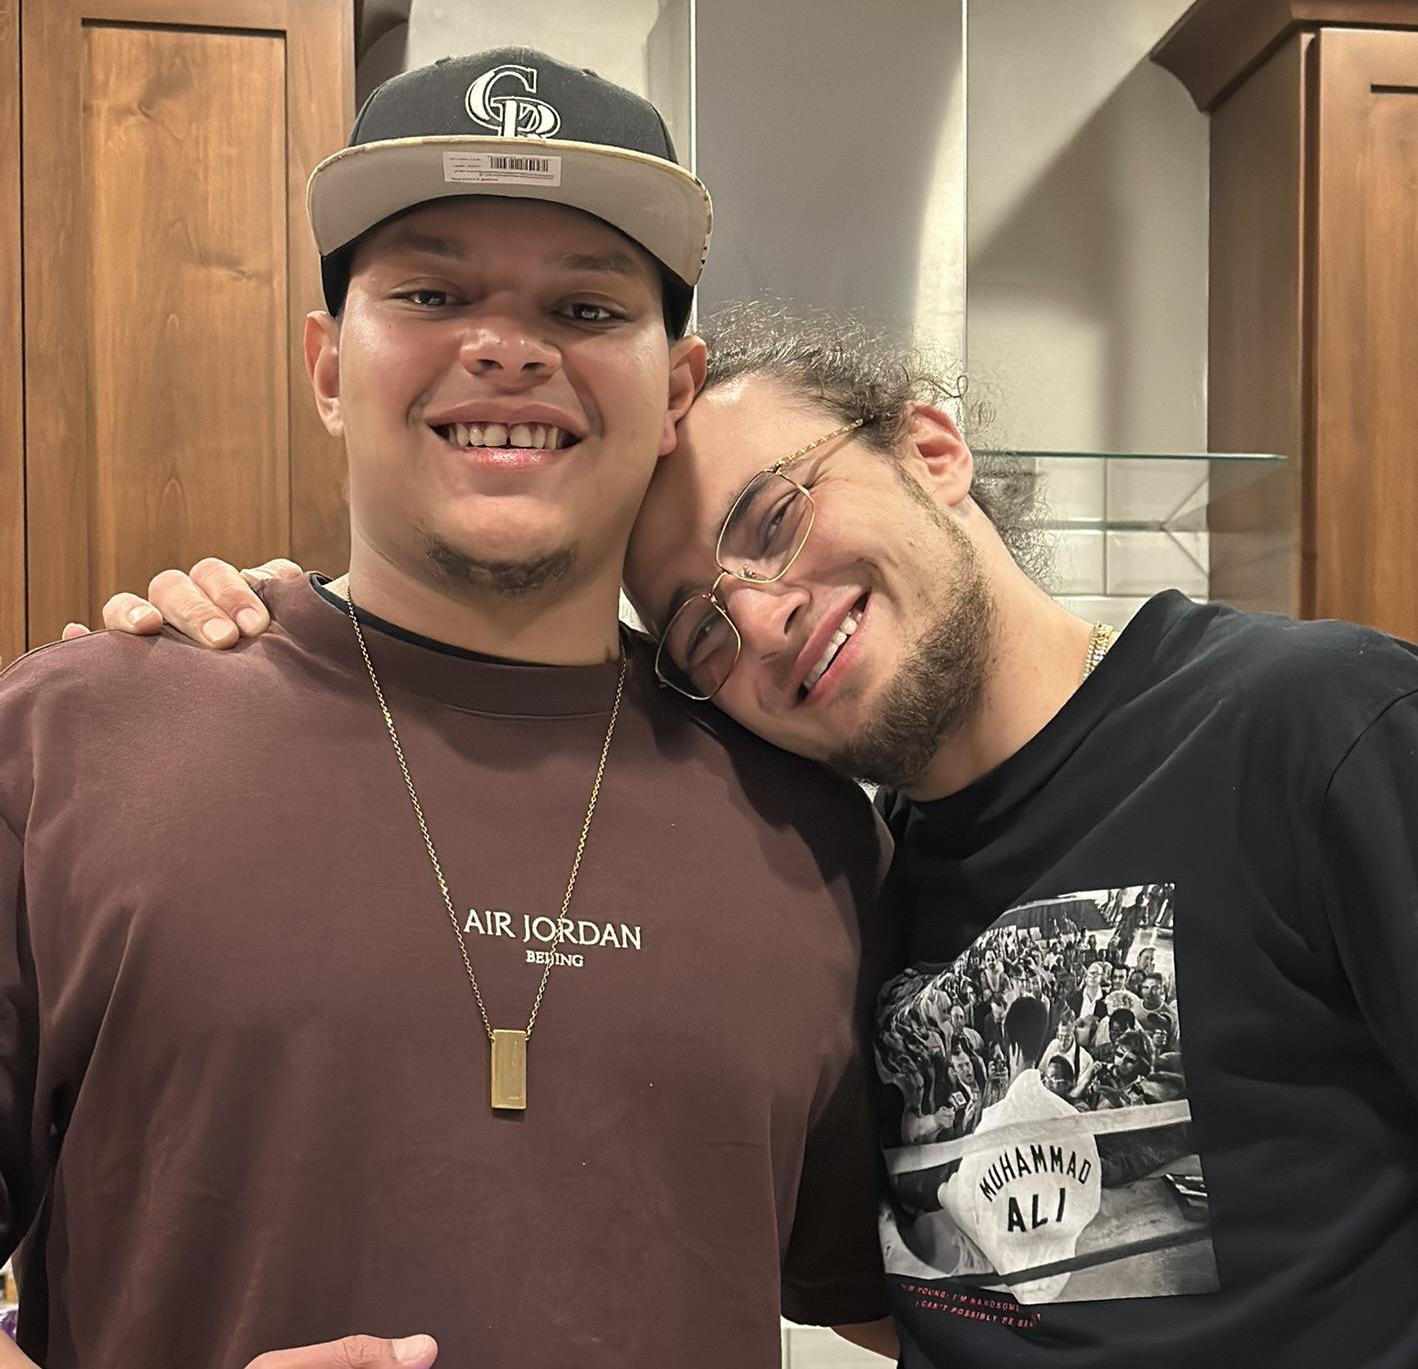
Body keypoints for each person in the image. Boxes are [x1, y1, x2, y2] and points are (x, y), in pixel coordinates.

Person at [82, 291, 1418, 1355]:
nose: (763, 618)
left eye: (774, 517)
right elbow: (920, 1291)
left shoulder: (1319, 726)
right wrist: (286, 643)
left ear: (932, 450)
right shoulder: (842, 875)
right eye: (697, 630)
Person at [0, 53, 897, 1369]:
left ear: (675, 392)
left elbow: (957, 1303)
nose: (508, 346)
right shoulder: (64, 746)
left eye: (585, 307)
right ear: (326, 366)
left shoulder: (811, 828)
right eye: (430, 294)